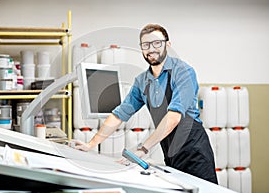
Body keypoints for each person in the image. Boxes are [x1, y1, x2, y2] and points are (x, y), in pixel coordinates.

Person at [72, 24, 218, 184]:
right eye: (146, 45)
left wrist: (142, 149)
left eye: (157, 43)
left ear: (167, 44)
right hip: (170, 151)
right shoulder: (142, 81)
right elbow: (118, 114)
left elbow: (174, 118)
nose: (151, 49)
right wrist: (91, 144)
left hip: (194, 151)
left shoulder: (183, 72)